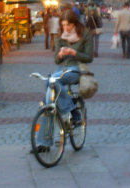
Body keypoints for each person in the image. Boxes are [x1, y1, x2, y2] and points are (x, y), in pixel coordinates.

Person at [35, 9, 93, 153]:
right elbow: (56, 60)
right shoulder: (60, 37)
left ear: (75, 23)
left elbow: (89, 57)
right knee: (49, 103)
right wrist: (60, 55)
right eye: (63, 25)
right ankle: (44, 142)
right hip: (62, 69)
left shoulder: (85, 34)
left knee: (52, 83)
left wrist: (74, 53)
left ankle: (73, 113)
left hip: (76, 69)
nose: (66, 28)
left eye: (68, 25)